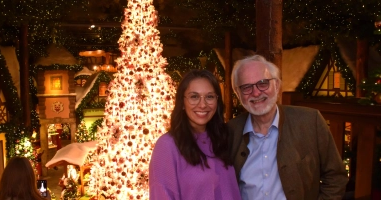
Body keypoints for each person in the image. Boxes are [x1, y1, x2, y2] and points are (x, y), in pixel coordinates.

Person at [228, 55, 348, 200]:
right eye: (246, 87)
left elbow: (335, 177)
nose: (256, 92)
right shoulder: (230, 132)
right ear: (237, 93)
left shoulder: (310, 121)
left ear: (277, 85)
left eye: (263, 83)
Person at [149, 69, 241, 200]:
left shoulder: (223, 137)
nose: (202, 105)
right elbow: (162, 195)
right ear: (182, 102)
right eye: (194, 97)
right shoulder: (167, 146)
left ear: (217, 101)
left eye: (209, 97)